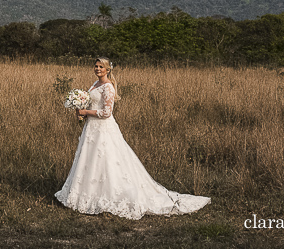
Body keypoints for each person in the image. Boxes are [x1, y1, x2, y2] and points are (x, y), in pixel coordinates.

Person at [55, 57, 210, 219]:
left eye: (101, 67)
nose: (98, 69)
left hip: (103, 130)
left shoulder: (108, 87)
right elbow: (92, 104)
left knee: (106, 161)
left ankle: (111, 195)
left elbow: (107, 113)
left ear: (108, 70)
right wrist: (80, 109)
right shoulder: (94, 84)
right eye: (96, 66)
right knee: (89, 160)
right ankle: (86, 194)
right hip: (91, 129)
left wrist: (86, 112)